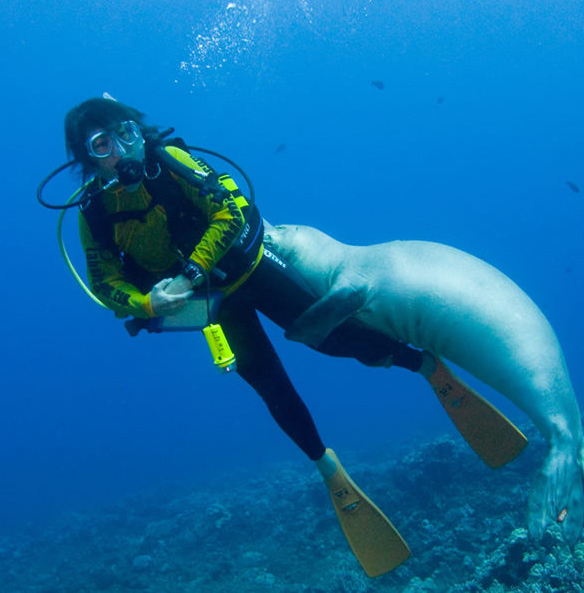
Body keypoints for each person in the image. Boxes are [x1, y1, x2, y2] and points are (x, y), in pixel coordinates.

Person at [59, 96, 530, 577]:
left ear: (140, 131)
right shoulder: (92, 212)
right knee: (270, 387)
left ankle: (426, 366)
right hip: (213, 309)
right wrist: (145, 303)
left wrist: (185, 276)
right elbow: (102, 283)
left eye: (127, 133)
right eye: (102, 144)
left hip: (253, 272)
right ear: (85, 157)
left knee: (334, 338)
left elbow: (229, 213)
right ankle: (329, 470)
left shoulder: (173, 163)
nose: (121, 149)